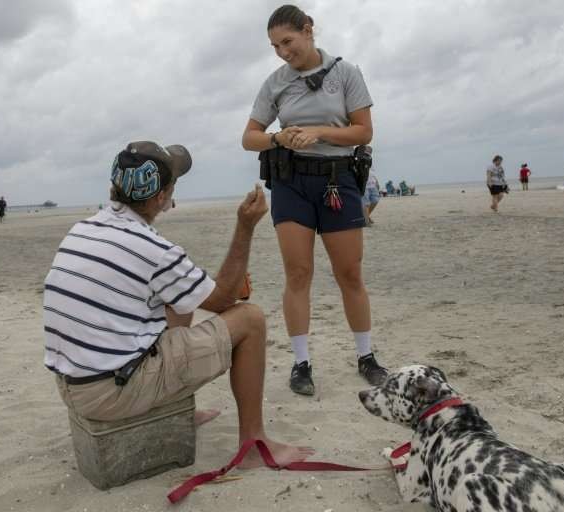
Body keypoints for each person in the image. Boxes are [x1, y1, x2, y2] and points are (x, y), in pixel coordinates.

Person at [44, 141, 313, 467]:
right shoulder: (151, 248)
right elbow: (223, 300)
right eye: (173, 183)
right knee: (251, 319)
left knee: (178, 303)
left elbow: (186, 298)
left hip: (74, 386)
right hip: (113, 393)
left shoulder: (83, 229)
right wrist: (245, 227)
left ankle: (175, 406)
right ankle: (254, 444)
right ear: (162, 198)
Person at [241, 5, 387, 396]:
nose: (282, 52)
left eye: (287, 41)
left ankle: (366, 357)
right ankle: (301, 363)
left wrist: (319, 131)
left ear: (308, 30)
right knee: (298, 273)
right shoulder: (275, 83)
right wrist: (278, 137)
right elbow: (249, 137)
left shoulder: (345, 73)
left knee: (349, 273)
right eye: (275, 46)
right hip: (290, 183)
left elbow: (363, 131)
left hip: (338, 180)